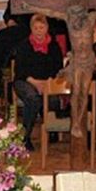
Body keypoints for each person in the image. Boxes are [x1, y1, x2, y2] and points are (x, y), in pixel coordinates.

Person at [13, 13, 67, 151]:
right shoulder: (23, 46)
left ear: (47, 28)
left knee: (53, 100)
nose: (39, 31)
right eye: (36, 28)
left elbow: (58, 68)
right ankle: (25, 137)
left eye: (41, 27)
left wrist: (48, 82)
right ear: (31, 29)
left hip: (48, 81)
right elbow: (20, 70)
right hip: (26, 81)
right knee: (33, 99)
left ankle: (52, 129)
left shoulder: (54, 46)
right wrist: (36, 83)